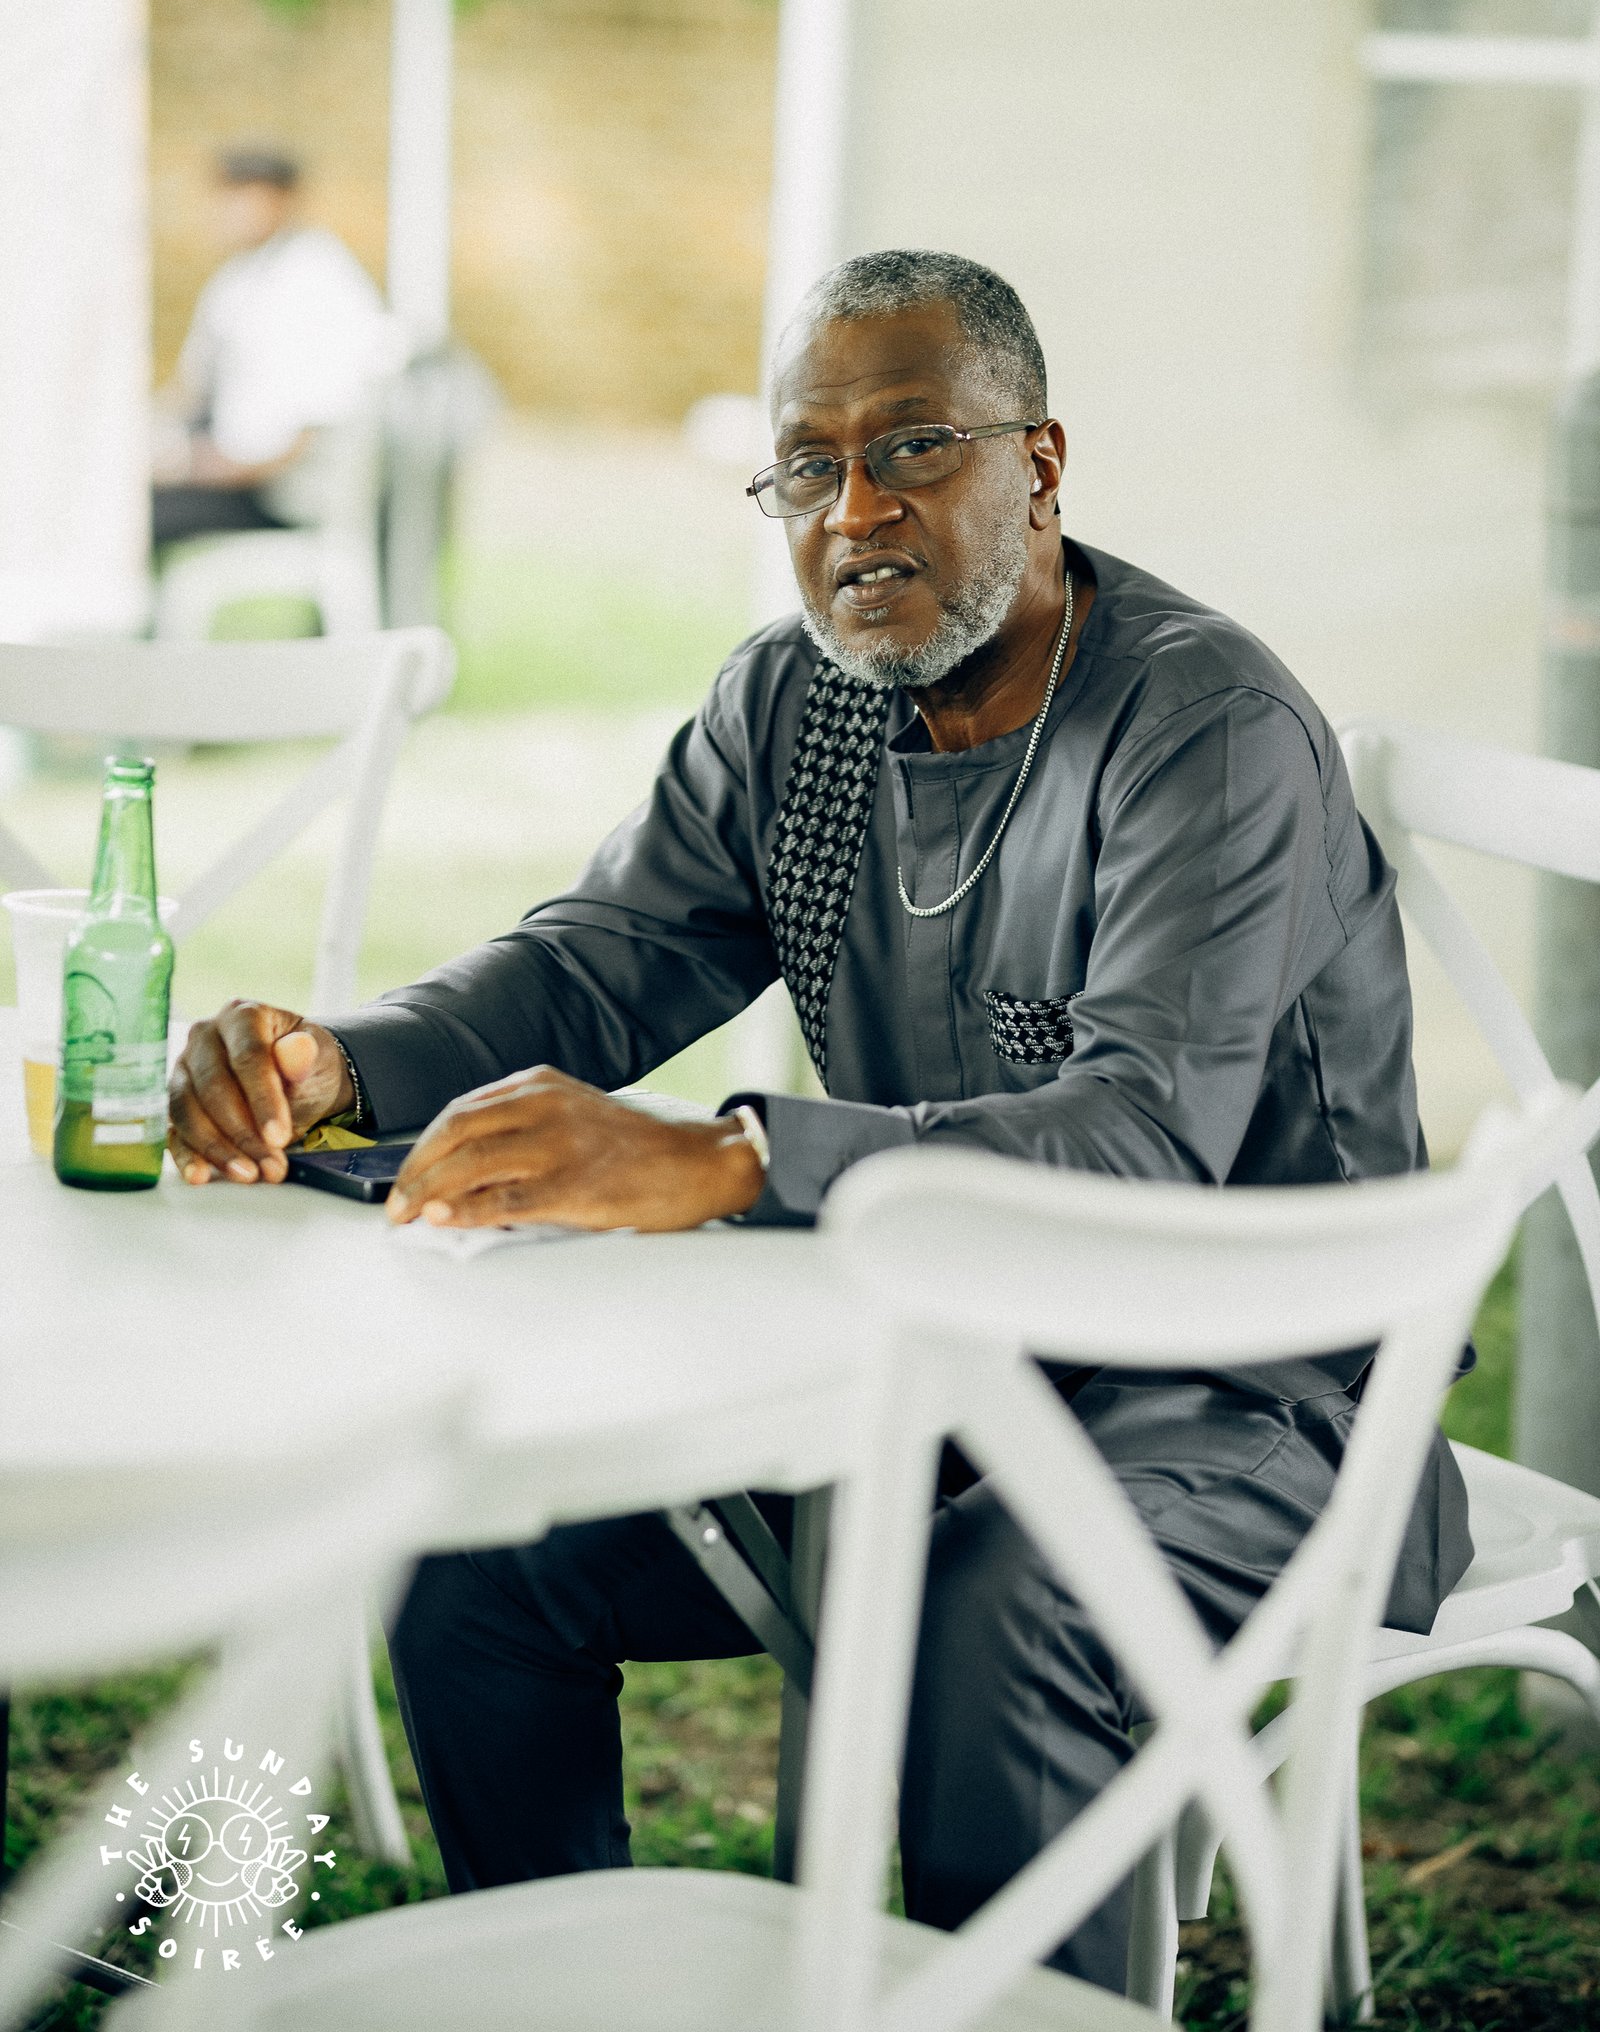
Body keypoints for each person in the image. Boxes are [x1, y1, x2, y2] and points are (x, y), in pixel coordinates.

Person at [166, 251, 1471, 1991]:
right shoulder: (803, 702)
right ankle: (550, 1999)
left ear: (1041, 465)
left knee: (985, 1605)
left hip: (1265, 1392)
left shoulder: (1202, 729)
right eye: (807, 467)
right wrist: (341, 1061)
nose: (856, 512)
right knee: (482, 1539)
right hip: (931, 1361)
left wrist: (735, 1161)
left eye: (915, 447)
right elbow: (603, 959)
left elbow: (1144, 1138)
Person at [151, 146, 405, 547]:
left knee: (131, 518)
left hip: (281, 496)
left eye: (248, 197)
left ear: (283, 200)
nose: (232, 212)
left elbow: (315, 426)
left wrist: (206, 469)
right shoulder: (237, 279)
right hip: (228, 469)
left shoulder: (320, 280)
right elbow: (192, 390)